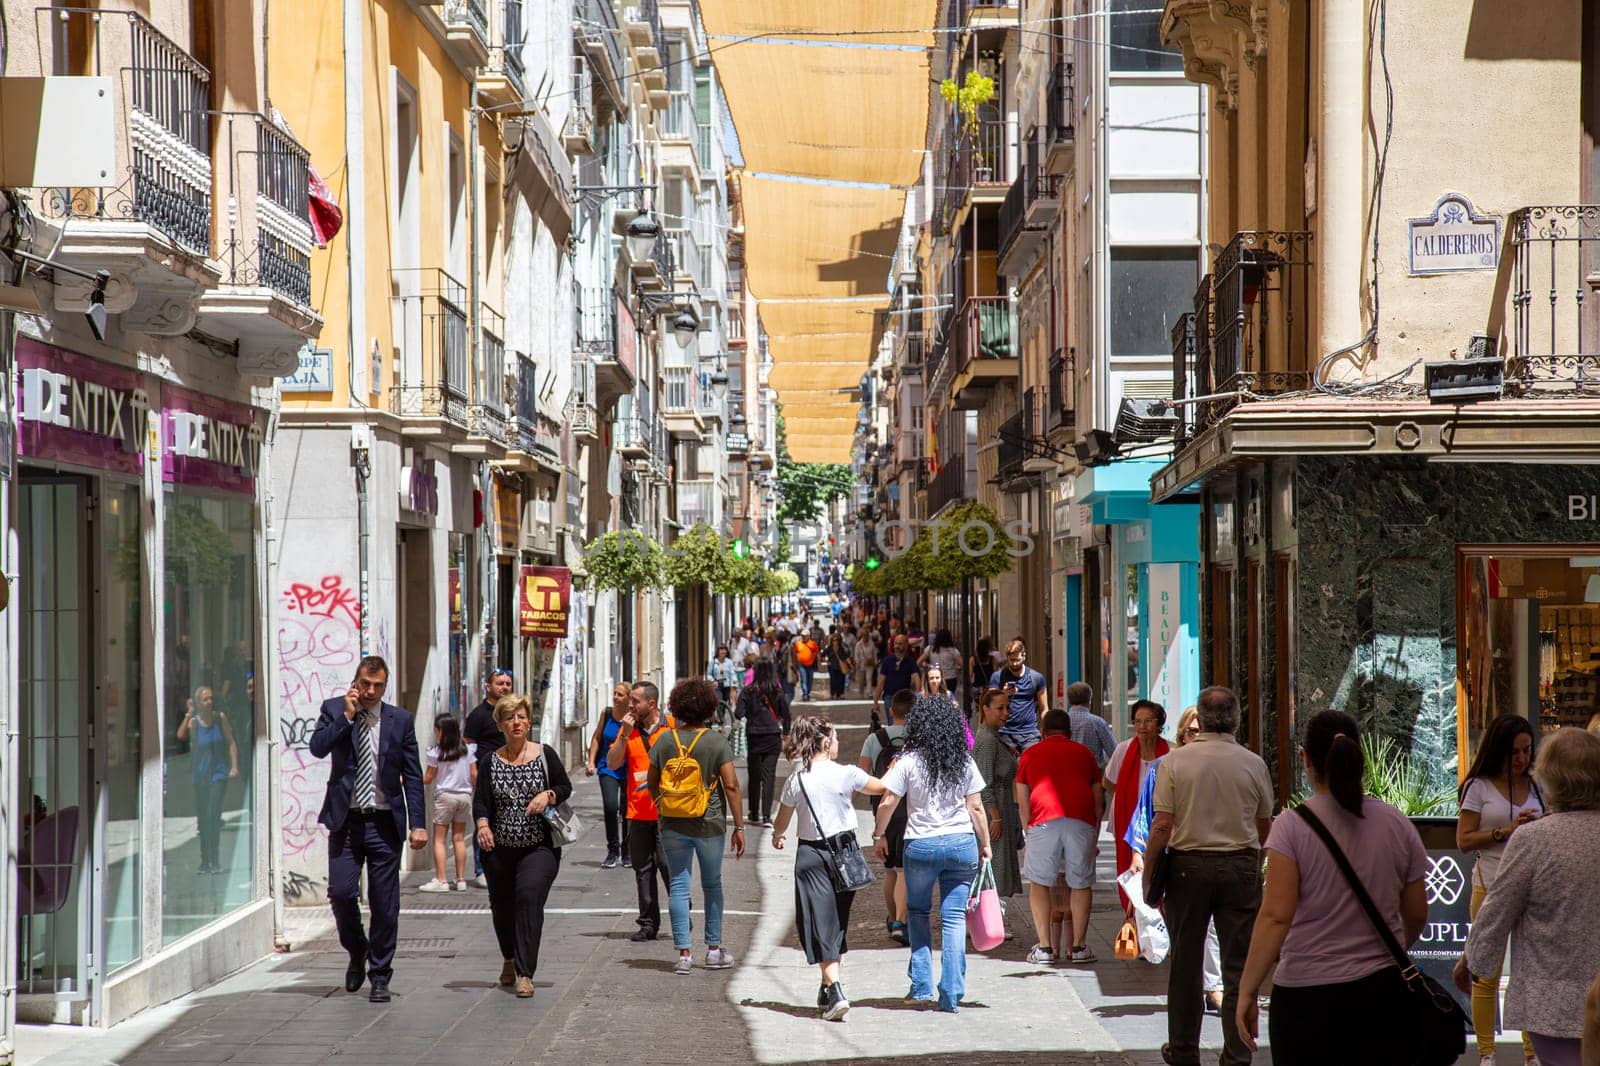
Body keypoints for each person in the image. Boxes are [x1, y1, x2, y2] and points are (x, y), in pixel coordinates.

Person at [1235, 710, 1429, 1063]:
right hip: (1382, 993)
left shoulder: (1291, 828)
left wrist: (1247, 990)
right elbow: (1416, 912)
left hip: (1306, 997)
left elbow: (1276, 917)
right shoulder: (1396, 824)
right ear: (1359, 756)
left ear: (1306, 759)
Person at [1142, 686, 1273, 1066]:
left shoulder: (1176, 763)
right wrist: (1257, 860)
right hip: (1239, 866)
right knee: (1237, 966)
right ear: (1236, 719)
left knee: (1185, 964)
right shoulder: (1253, 763)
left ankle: (1183, 1050)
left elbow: (1162, 825)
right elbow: (1264, 825)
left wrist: (1150, 872)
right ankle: (1236, 1053)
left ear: (1201, 715)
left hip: (1188, 867)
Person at [1456, 728, 1600, 1066]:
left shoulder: (1533, 840)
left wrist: (1471, 962)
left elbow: (1497, 910)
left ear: (1550, 778)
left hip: (1549, 1002)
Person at [308, 655, 427, 1003]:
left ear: (385, 686)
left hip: (384, 822)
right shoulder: (334, 710)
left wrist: (417, 823)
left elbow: (414, 776)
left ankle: (379, 974)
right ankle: (357, 948)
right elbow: (317, 748)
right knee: (342, 894)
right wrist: (346, 717)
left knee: (384, 903)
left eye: (378, 686)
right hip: (346, 821)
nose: (371, 691)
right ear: (355, 682)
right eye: (365, 684)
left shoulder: (400, 720)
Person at [872, 697, 991, 1013]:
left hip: (921, 845)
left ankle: (922, 986)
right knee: (953, 918)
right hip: (960, 842)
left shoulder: (909, 761)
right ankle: (951, 992)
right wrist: (986, 843)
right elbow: (976, 807)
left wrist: (878, 833)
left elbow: (887, 802)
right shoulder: (963, 760)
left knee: (918, 912)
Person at [771, 715, 887, 1020]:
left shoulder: (797, 780)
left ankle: (831, 988)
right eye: (834, 738)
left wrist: (778, 835)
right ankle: (832, 988)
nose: (836, 743)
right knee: (834, 924)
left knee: (823, 924)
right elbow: (882, 787)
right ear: (825, 742)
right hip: (845, 853)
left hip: (810, 856)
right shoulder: (847, 774)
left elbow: (782, 821)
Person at [1456, 712, 1546, 1065]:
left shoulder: (1538, 786)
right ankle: (1487, 1053)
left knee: (1528, 973)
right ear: (1497, 751)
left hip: (1531, 890)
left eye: (1526, 751)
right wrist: (1505, 831)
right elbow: (1463, 839)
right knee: (1485, 971)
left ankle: (1531, 1053)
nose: (1522, 759)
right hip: (1489, 885)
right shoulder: (1477, 787)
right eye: (1514, 752)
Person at [1126, 707, 1225, 1012]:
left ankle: (1213, 985)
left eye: (1201, 731)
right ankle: (1193, 988)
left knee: (1210, 926)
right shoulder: (1163, 768)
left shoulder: (1223, 767)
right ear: (1182, 735)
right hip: (1177, 859)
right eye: (1191, 731)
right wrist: (1138, 854)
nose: (1195, 737)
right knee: (1183, 927)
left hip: (1216, 855)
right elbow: (1148, 815)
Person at [471, 694, 570, 998]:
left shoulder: (544, 754)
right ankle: (509, 958)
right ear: (500, 724)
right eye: (510, 718)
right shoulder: (491, 761)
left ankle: (525, 973)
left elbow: (565, 786)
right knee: (502, 907)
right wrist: (483, 826)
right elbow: (481, 802)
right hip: (499, 849)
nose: (517, 723)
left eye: (522, 717)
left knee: (528, 898)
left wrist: (549, 795)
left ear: (529, 722)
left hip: (538, 846)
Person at [648, 678, 746, 975]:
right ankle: (714, 950)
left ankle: (684, 955)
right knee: (712, 884)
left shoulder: (665, 740)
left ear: (676, 706)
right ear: (708, 707)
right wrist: (739, 826)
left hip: (673, 823)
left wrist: (662, 805)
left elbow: (652, 782)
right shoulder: (715, 740)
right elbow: (730, 785)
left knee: (678, 885)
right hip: (709, 822)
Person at [1015, 707, 1104, 965]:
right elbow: (1099, 799)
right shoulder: (1084, 754)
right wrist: (1095, 836)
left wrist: (1027, 832)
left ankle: (1044, 948)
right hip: (1081, 821)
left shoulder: (1030, 755)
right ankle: (1078, 947)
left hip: (1042, 821)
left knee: (1040, 882)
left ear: (1042, 732)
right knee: (1080, 883)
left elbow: (1022, 800)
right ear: (1070, 732)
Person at [606, 682, 674, 941]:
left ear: (652, 704)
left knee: (668, 865)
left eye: (635, 701)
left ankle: (680, 912)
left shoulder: (672, 728)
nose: (629, 705)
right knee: (642, 869)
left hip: (668, 813)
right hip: (637, 812)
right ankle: (648, 924)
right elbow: (613, 763)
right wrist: (624, 733)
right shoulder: (629, 731)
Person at [861, 687, 914, 944]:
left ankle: (891, 917)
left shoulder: (875, 739)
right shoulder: (918, 739)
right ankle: (900, 923)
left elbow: (862, 775)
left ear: (891, 711)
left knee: (890, 870)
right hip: (909, 809)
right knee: (904, 870)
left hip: (882, 807)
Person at [1106, 700, 1169, 910]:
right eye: (1138, 721)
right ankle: (1133, 915)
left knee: (1160, 869)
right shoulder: (1124, 750)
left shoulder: (1170, 751)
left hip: (1161, 821)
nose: (1142, 726)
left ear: (1159, 724)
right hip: (1127, 821)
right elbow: (1109, 782)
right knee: (1130, 871)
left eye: (1148, 721)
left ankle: (1159, 915)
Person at [175, 684, 239, 875]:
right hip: (200, 777)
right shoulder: (193, 722)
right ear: (198, 702)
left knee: (212, 815)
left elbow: (231, 742)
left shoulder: (220, 719)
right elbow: (180, 736)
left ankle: (215, 860)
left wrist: (234, 766)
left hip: (218, 774)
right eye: (205, 699)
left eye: (211, 698)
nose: (209, 702)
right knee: (203, 820)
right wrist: (188, 713)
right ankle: (205, 861)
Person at [463, 668, 515, 887]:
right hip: (487, 775)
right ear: (488, 687)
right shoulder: (479, 714)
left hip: (511, 773)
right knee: (483, 821)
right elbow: (468, 743)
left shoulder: (513, 712)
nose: (504, 687)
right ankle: (480, 868)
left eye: (507, 683)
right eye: (499, 683)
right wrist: (473, 770)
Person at [971, 688, 1021, 899]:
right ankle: (986, 920)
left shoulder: (994, 737)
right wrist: (995, 817)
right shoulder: (987, 740)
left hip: (1002, 807)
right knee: (993, 868)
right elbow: (983, 783)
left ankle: (992, 919)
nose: (1005, 713)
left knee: (997, 868)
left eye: (1007, 708)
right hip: (995, 812)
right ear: (985, 709)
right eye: (1000, 708)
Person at [419, 714, 477, 892]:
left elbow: (428, 778)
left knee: (439, 840)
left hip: (445, 797)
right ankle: (460, 880)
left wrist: (408, 780)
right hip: (465, 797)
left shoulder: (436, 752)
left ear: (440, 731)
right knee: (459, 838)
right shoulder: (468, 750)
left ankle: (442, 880)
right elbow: (474, 775)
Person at [585, 683, 634, 869]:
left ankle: (627, 850)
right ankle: (613, 850)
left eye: (620, 694)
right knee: (611, 806)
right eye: (614, 693)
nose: (615, 697)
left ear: (628, 698)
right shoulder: (606, 714)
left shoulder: (632, 719)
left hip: (629, 768)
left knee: (628, 810)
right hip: (607, 767)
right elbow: (597, 738)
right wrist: (591, 762)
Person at [736, 660, 790, 827]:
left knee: (754, 775)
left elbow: (739, 713)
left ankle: (753, 813)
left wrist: (752, 714)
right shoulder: (777, 691)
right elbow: (786, 715)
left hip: (754, 736)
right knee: (769, 776)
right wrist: (786, 734)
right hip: (772, 737)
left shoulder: (748, 691)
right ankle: (766, 816)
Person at [988, 639, 1048, 752]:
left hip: (1029, 734)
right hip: (1004, 733)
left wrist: (1046, 729)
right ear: (1007, 658)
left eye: (1018, 660)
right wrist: (1003, 694)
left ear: (1024, 657)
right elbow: (989, 704)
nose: (1014, 663)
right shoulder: (997, 677)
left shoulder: (1036, 678)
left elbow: (1044, 708)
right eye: (1011, 660)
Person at [1064, 681, 1117, 770]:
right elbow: (1114, 752)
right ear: (1089, 700)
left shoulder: (1062, 721)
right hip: (1094, 776)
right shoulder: (1097, 722)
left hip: (1067, 773)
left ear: (1069, 701)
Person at [874, 633, 923, 714]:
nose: (897, 646)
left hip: (904, 697)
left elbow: (917, 679)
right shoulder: (887, 661)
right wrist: (875, 701)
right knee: (892, 723)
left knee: (905, 723)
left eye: (900, 644)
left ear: (906, 645)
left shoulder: (910, 661)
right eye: (895, 643)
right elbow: (881, 682)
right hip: (889, 697)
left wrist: (917, 696)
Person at [920, 629, 964, 711]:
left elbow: (919, 662)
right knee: (948, 699)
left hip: (935, 677)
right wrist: (957, 668)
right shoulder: (953, 651)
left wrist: (927, 666)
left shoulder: (930, 649)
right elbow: (962, 664)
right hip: (950, 678)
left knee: (934, 697)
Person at [708, 646, 741, 722]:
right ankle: (720, 720)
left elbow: (732, 673)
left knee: (725, 703)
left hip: (726, 685)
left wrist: (734, 680)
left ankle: (721, 719)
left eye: (725, 650)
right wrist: (713, 681)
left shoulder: (729, 662)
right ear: (718, 652)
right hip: (717, 685)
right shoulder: (713, 662)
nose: (723, 652)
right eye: (721, 650)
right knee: (719, 702)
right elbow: (709, 674)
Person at [823, 632, 851, 701]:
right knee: (833, 681)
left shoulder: (842, 649)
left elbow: (846, 657)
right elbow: (823, 655)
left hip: (841, 667)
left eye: (836, 640)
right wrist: (826, 660)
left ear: (839, 641)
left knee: (841, 681)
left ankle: (839, 694)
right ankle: (832, 694)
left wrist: (850, 664)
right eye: (834, 640)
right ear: (831, 641)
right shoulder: (829, 649)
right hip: (832, 667)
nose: (835, 642)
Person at [794, 631, 821, 701]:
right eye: (802, 635)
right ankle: (805, 694)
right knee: (804, 679)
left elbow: (818, 654)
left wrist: (819, 664)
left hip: (811, 665)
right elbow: (794, 654)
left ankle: (807, 692)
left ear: (808, 636)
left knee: (810, 679)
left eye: (805, 635)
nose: (803, 637)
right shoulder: (798, 644)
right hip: (801, 665)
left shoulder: (813, 644)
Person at [853, 626, 880, 696]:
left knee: (869, 678)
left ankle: (869, 692)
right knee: (861, 680)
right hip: (861, 664)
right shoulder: (858, 644)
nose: (865, 637)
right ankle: (861, 691)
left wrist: (875, 662)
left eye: (866, 635)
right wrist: (857, 662)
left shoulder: (872, 644)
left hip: (869, 663)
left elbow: (874, 653)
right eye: (864, 635)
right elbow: (856, 654)